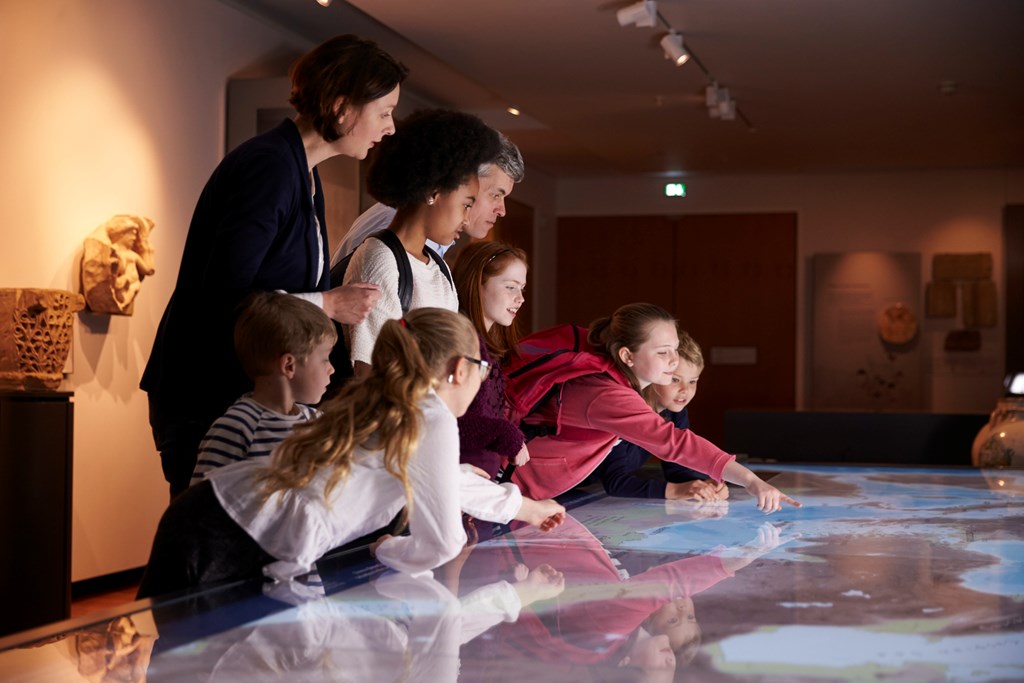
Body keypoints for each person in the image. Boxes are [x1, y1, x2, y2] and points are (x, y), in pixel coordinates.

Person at [136, 308, 565, 599]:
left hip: (213, 517)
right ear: (458, 369)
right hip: (224, 528)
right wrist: (387, 550)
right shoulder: (429, 416)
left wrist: (526, 508)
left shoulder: (402, 407)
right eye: (482, 368)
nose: (482, 380)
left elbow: (448, 483)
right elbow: (445, 541)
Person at [142, 35, 404, 498]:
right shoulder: (269, 166)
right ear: (342, 107)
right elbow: (227, 294)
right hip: (208, 392)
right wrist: (328, 302)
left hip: (241, 390)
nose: (391, 127)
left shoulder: (301, 170)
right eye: (383, 112)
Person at [508, 303, 801, 513]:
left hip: (520, 487)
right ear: (628, 356)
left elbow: (677, 453)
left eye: (674, 349)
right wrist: (751, 481)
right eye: (663, 353)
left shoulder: (616, 384)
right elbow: (674, 443)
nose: (673, 361)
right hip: (511, 484)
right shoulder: (608, 394)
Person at [342, 109, 500, 378]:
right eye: (465, 205)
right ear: (433, 193)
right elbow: (369, 371)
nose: (466, 218)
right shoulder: (380, 258)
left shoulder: (437, 266)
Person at [189, 292, 336, 486]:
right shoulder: (236, 428)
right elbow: (200, 507)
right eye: (325, 358)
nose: (331, 369)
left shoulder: (317, 422)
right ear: (289, 365)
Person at [576, 332, 729, 501]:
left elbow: (676, 468)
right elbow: (615, 482)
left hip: (587, 491)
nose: (685, 390)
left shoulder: (675, 412)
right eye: (675, 380)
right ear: (653, 374)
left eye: (692, 381)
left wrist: (702, 486)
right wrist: (676, 491)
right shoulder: (621, 410)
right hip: (561, 487)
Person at [332, 131, 525, 264]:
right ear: (465, 182)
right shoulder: (400, 227)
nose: (502, 210)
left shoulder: (429, 231)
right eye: (496, 195)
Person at [451, 241, 530, 479]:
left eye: (522, 289)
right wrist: (508, 436)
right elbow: (450, 421)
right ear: (478, 284)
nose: (520, 299)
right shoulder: (462, 343)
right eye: (510, 287)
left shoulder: (485, 345)